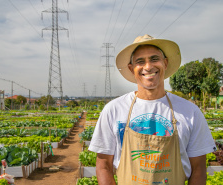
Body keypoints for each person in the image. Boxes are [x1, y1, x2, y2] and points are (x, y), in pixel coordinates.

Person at [88, 34, 216, 185]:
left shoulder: (190, 112)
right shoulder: (113, 110)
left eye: (154, 59)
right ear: (131, 68)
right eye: (140, 61)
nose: (148, 67)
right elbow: (103, 166)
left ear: (165, 63)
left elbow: (199, 169)